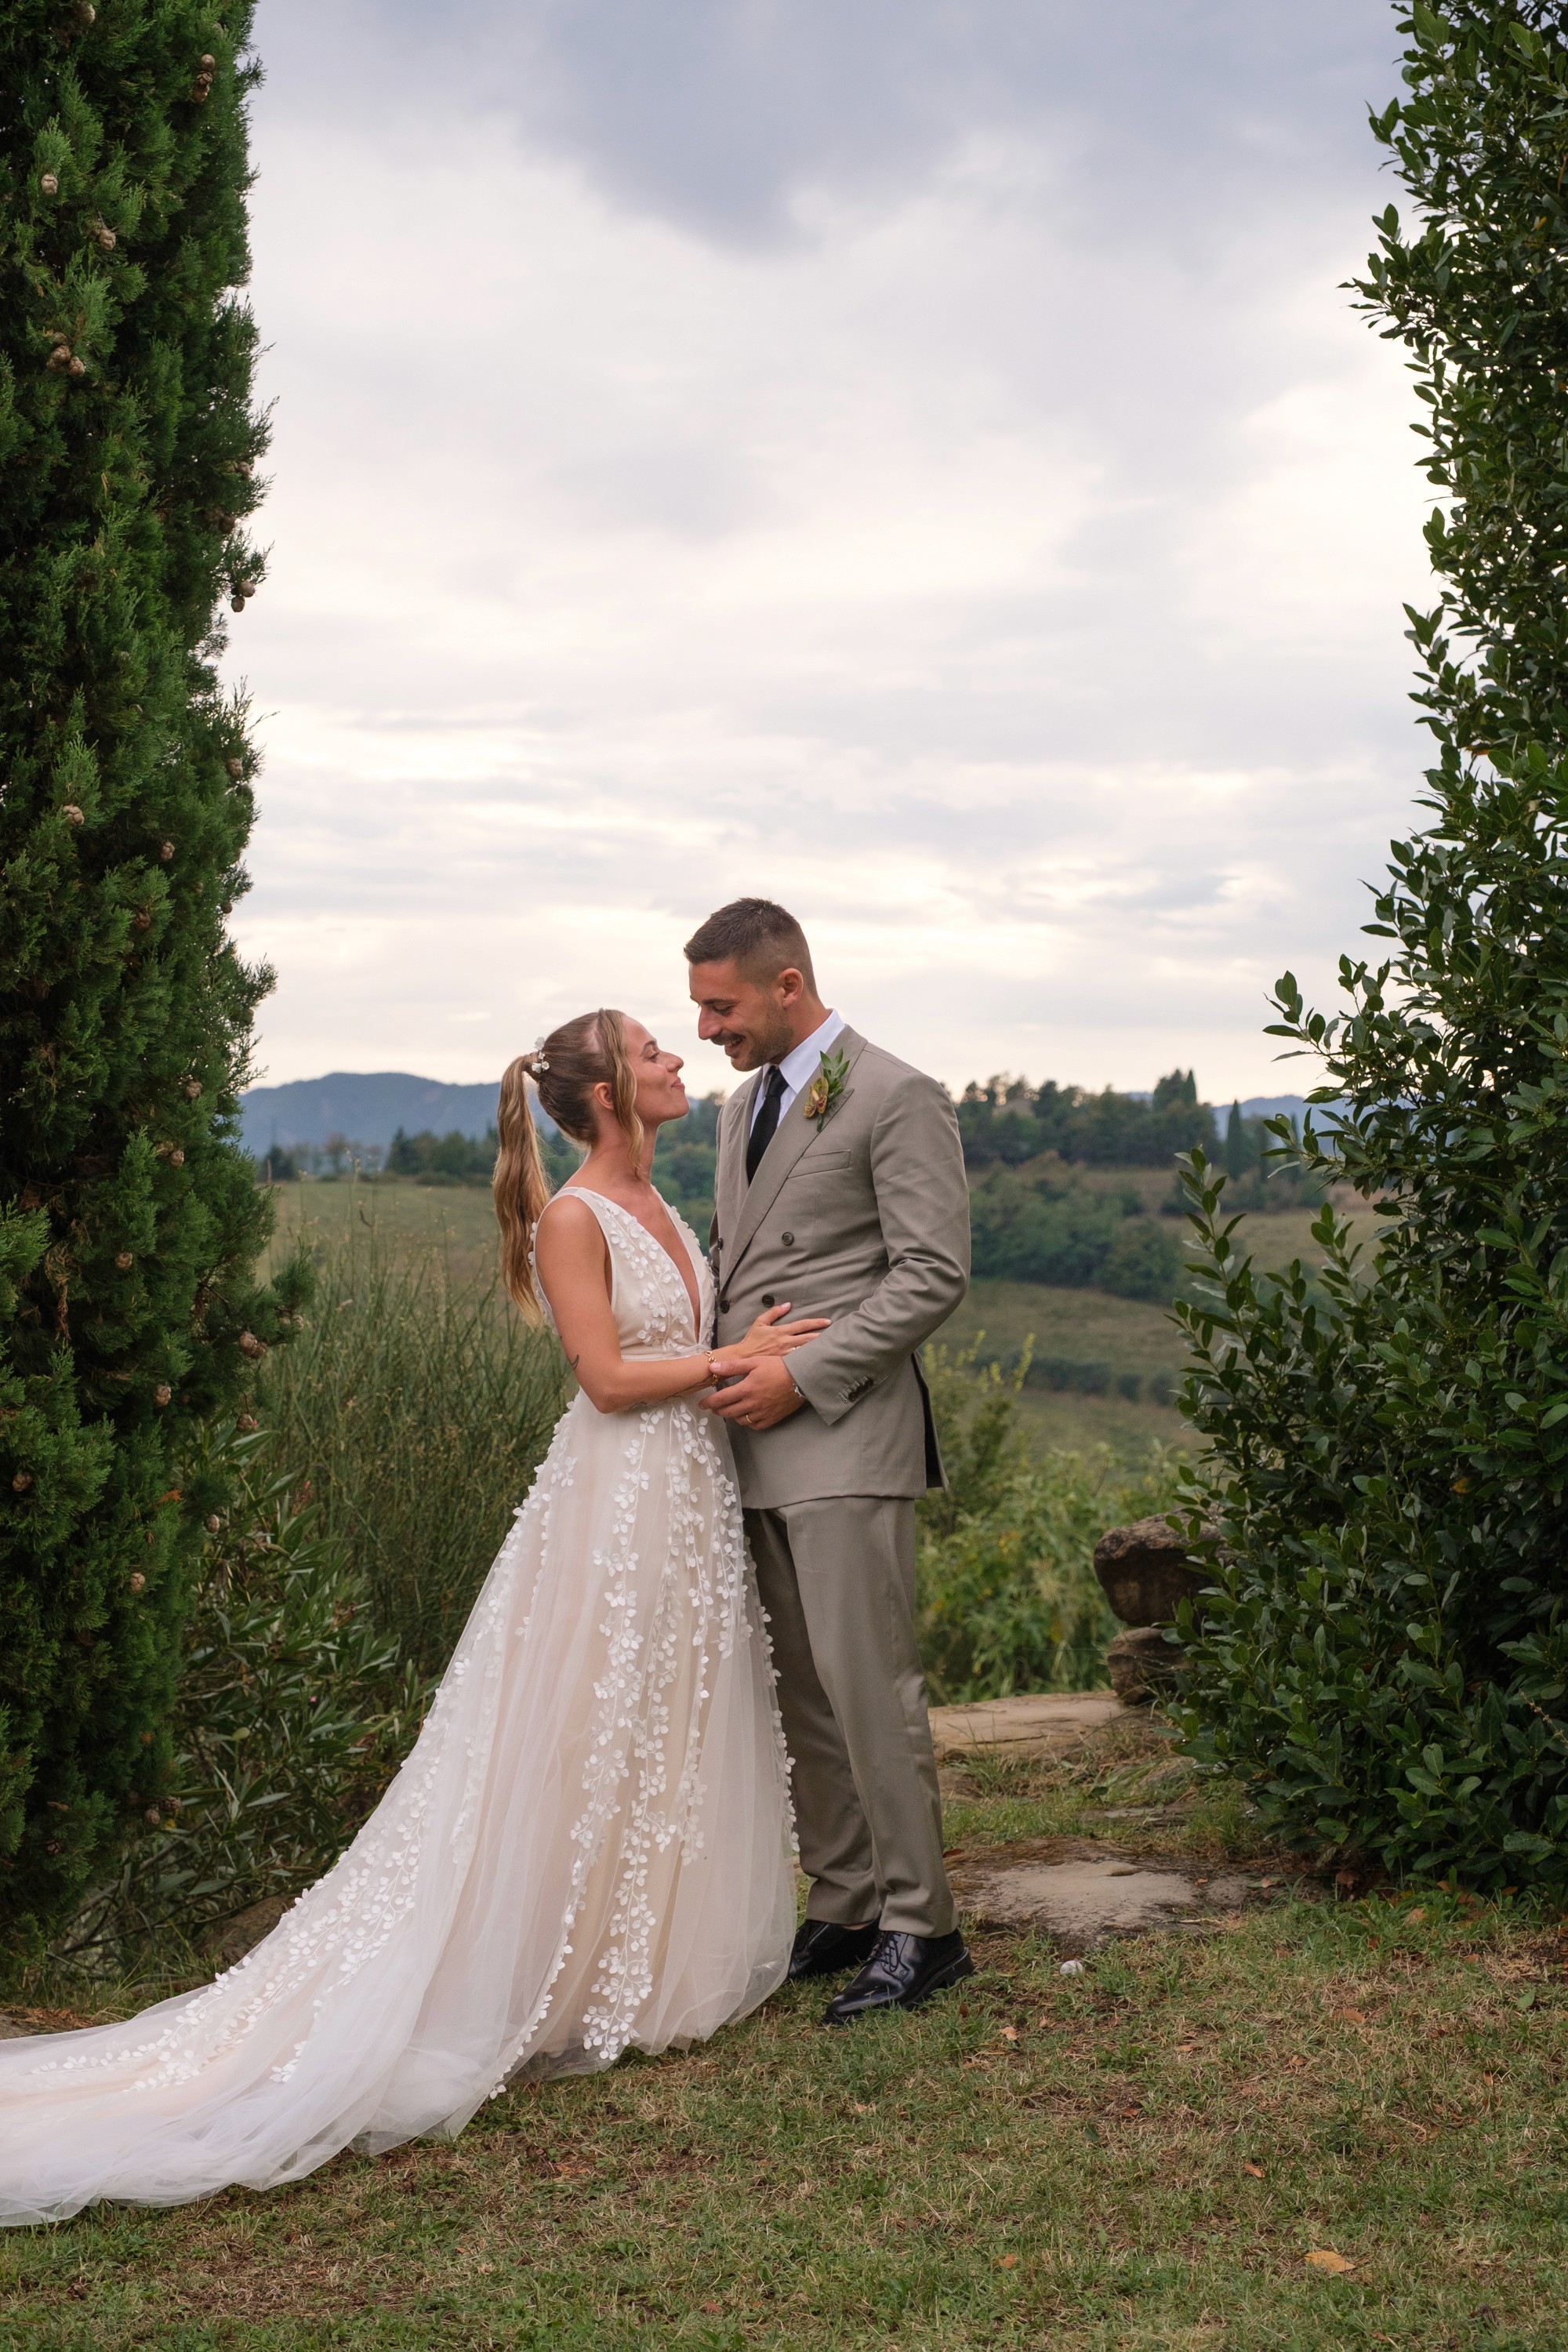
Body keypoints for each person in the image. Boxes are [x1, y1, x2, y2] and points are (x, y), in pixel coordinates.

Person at [0, 1009, 819, 2228]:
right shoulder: (573, 1217)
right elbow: (603, 1377)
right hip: (615, 1502)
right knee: (578, 1732)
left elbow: (673, 1346)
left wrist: (728, 1348)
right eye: (654, 1051)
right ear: (605, 1094)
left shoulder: (663, 1199)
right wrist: (721, 1363)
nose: (676, 1063)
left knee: (658, 1720)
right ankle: (528, 1974)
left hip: (686, 1500)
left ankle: (634, 1969)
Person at [686, 898, 974, 2024]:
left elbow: (930, 1272)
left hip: (845, 1433)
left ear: (787, 986)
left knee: (869, 1693)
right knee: (802, 1695)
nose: (710, 1027)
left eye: (724, 1006)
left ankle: (924, 1928)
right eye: (701, 1009)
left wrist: (801, 1376)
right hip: (752, 1441)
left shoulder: (898, 1095)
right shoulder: (739, 1108)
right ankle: (848, 1899)